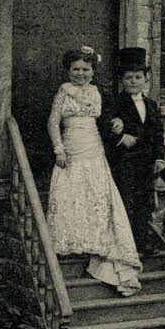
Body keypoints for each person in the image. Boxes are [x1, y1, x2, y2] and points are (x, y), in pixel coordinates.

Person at [46, 44, 142, 295]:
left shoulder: (98, 93)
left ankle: (96, 241)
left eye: (85, 69)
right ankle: (73, 242)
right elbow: (53, 123)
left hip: (94, 149)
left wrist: (117, 122)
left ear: (93, 71)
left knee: (97, 195)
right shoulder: (63, 92)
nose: (81, 74)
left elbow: (108, 118)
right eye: (76, 69)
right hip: (71, 149)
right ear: (68, 71)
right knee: (72, 193)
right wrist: (59, 149)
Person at [101, 47, 165, 256]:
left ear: (146, 79)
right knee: (125, 201)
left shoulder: (151, 104)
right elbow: (102, 127)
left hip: (146, 163)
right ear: (121, 80)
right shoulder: (114, 103)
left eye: (138, 77)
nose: (133, 81)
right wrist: (120, 138)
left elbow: (158, 133)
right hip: (124, 161)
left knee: (144, 202)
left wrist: (159, 158)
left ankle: (143, 242)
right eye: (128, 77)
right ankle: (125, 245)